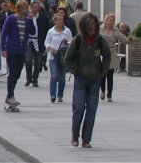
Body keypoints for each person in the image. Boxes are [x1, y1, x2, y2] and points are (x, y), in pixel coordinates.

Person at [64, 13, 110, 149]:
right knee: (78, 109)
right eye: (89, 24)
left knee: (91, 110)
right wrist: (75, 71)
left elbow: (107, 57)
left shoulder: (100, 41)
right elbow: (68, 58)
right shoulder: (77, 40)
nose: (91, 27)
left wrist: (102, 72)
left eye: (93, 24)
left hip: (95, 80)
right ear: (84, 26)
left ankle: (86, 139)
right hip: (80, 79)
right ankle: (74, 134)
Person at [0, 0, 35, 108]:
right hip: (12, 49)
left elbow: (33, 32)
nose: (25, 10)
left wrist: (30, 21)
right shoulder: (10, 19)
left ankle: (10, 94)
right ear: (18, 8)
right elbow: (3, 33)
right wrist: (3, 48)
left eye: (26, 8)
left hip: (21, 50)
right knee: (12, 72)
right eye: (23, 8)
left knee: (18, 73)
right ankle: (10, 95)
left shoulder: (26, 20)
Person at [45, 11, 72, 103]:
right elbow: (46, 42)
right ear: (55, 21)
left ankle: (60, 95)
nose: (60, 21)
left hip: (63, 57)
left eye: (62, 20)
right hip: (53, 56)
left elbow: (71, 42)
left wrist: (66, 44)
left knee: (62, 77)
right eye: (59, 20)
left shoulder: (67, 31)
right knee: (54, 76)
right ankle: (52, 95)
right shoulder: (51, 31)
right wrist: (50, 47)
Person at [98, 13, 126, 102]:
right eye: (110, 20)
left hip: (112, 53)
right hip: (102, 52)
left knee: (110, 75)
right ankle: (102, 90)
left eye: (113, 20)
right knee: (102, 74)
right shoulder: (100, 30)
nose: (111, 22)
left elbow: (123, 39)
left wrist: (129, 40)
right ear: (106, 21)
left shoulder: (115, 30)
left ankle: (109, 95)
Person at [25, 0, 49, 88]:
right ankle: (28, 78)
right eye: (34, 7)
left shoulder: (43, 18)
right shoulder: (27, 17)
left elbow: (46, 29)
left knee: (38, 62)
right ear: (31, 8)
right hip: (29, 41)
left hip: (39, 41)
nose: (35, 9)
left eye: (37, 7)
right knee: (28, 60)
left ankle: (35, 80)